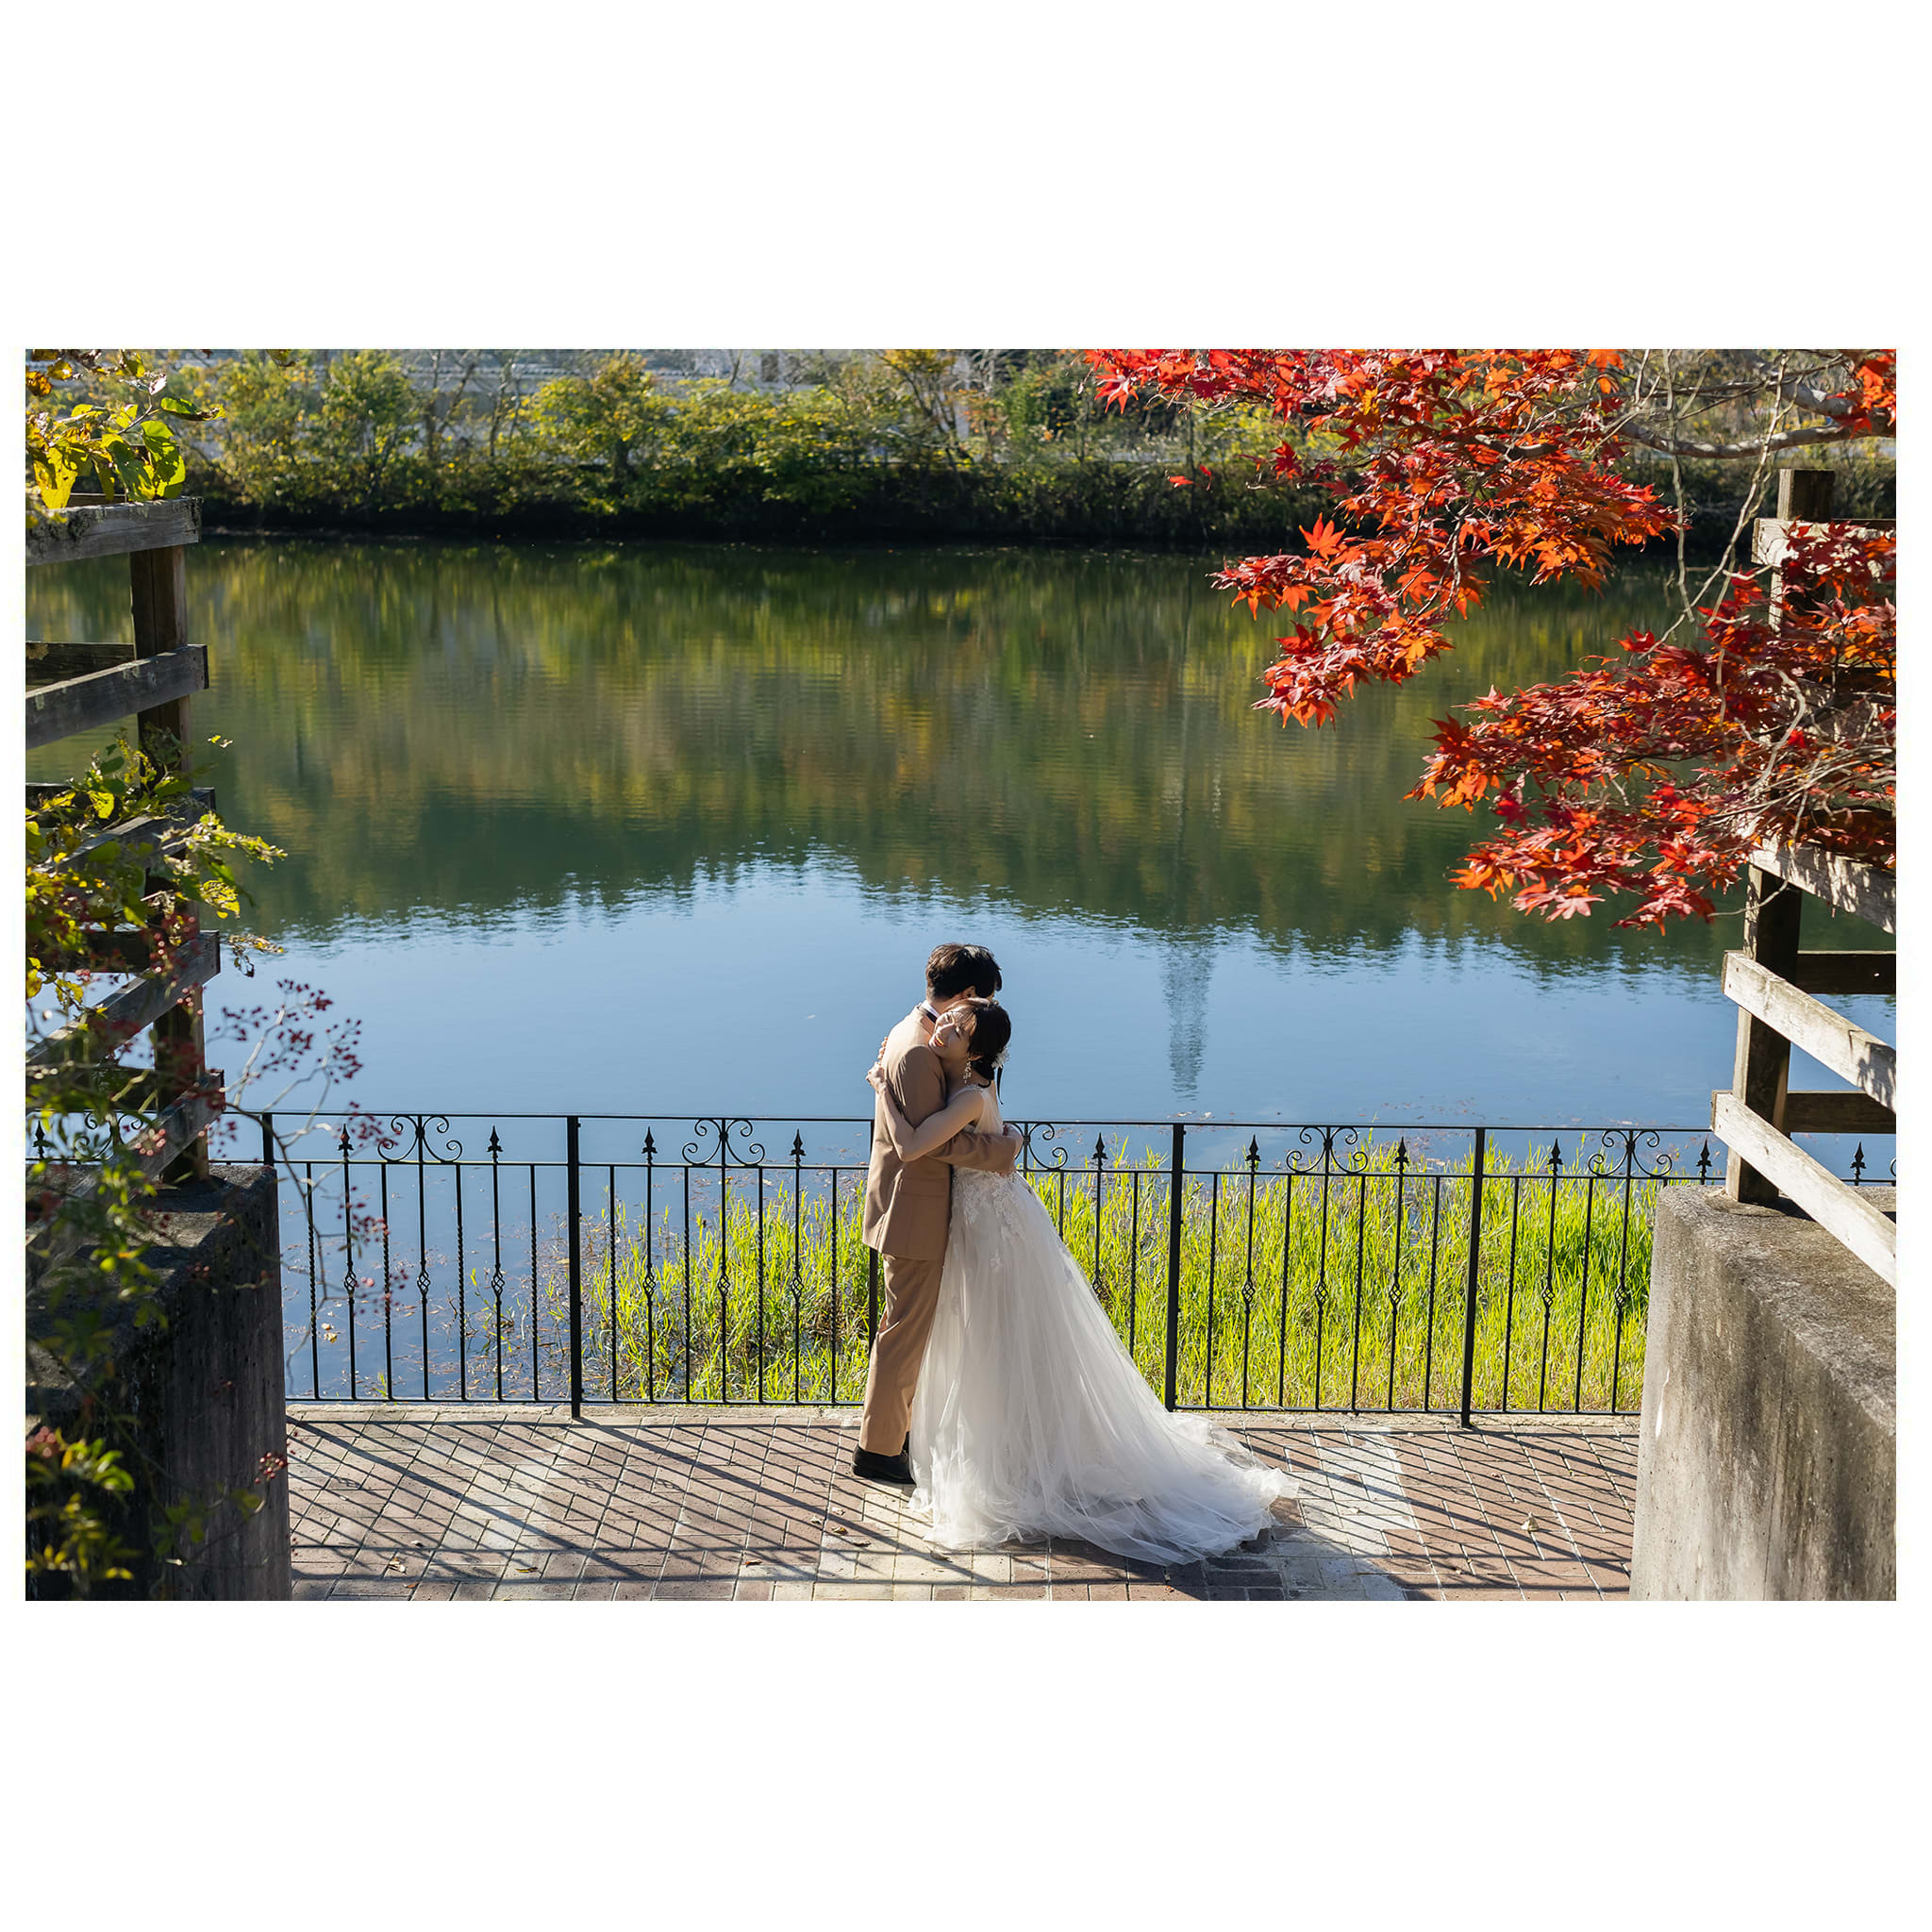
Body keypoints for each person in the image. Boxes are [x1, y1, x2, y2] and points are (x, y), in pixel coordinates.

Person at [865, 998, 1294, 1564]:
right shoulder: (959, 1078)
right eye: (947, 1016)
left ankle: (1015, 1460)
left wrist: (883, 1091)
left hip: (991, 1227)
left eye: (958, 1026)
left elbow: (915, 1144)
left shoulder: (967, 1094)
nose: (943, 1025)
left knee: (998, 1337)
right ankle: (1005, 1449)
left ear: (975, 1050)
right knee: (985, 1339)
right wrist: (999, 1140)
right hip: (980, 1219)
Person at [854, 943, 1023, 1486]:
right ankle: (879, 1450)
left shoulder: (921, 1036)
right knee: (903, 1333)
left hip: (921, 1208)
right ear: (968, 994)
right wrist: (1002, 1149)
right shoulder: (918, 1052)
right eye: (983, 1000)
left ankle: (899, 1433)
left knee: (909, 1328)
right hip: (914, 1212)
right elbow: (928, 1145)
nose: (981, 1009)